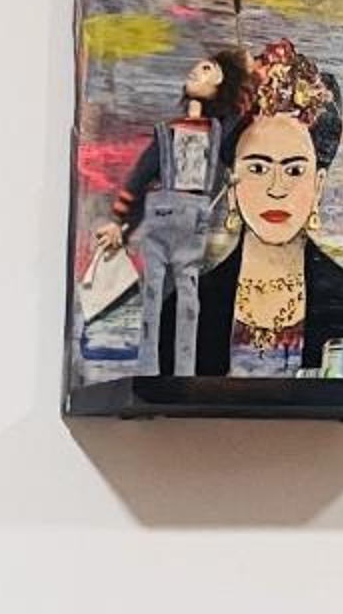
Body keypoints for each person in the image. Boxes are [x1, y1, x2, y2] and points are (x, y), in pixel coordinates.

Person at [193, 38, 343, 380]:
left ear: (317, 185)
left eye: (293, 170)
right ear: (231, 183)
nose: (276, 189)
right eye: (258, 168)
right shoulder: (189, 311)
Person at [93, 45, 249, 377]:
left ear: (221, 81)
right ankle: (149, 370)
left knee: (188, 297)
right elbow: (141, 176)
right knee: (154, 295)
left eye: (207, 69)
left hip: (192, 220)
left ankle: (184, 372)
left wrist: (246, 77)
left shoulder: (219, 132)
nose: (196, 72)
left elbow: (242, 121)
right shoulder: (167, 132)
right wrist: (118, 221)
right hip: (161, 218)